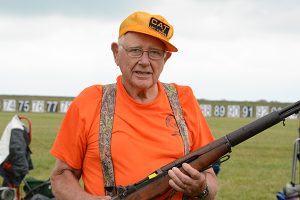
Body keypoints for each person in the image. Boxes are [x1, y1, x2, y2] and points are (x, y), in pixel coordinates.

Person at [50, 11, 218, 200]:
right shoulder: (90, 101)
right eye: (135, 50)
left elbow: (209, 177)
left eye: (155, 53)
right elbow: (61, 175)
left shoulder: (184, 99)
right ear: (116, 53)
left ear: (166, 59)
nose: (145, 62)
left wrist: (202, 188)